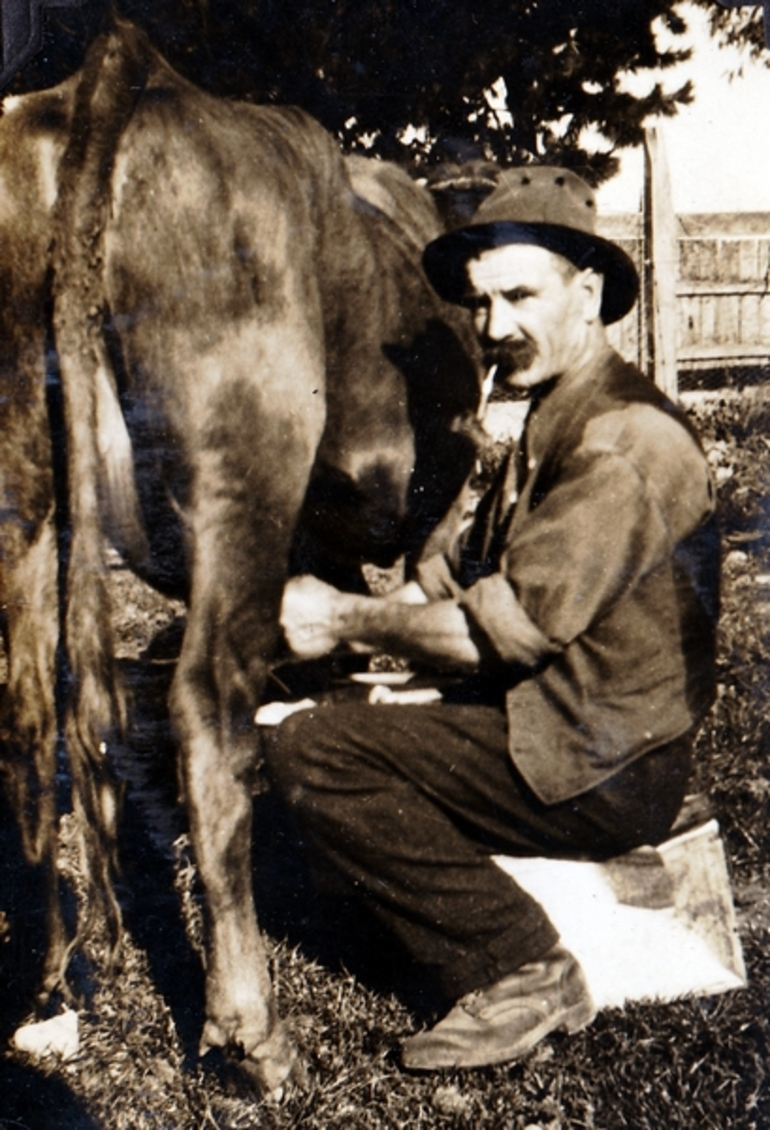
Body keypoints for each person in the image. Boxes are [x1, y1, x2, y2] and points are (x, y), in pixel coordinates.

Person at [263, 166, 720, 1070]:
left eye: (521, 296)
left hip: (603, 764)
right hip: (561, 721)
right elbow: (444, 578)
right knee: (337, 715)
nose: (494, 329)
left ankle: (522, 963)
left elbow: (494, 630)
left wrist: (341, 620)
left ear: (587, 295)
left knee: (313, 753)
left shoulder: (627, 443)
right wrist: (388, 631)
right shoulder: (552, 415)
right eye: (481, 304)